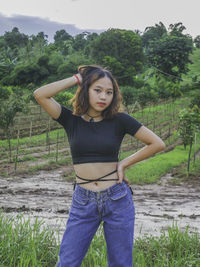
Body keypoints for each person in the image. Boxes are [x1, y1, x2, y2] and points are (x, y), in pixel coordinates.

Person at [33, 65, 166, 267]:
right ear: (86, 89)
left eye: (109, 92)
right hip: (83, 200)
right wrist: (78, 78)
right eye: (97, 90)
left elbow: (157, 143)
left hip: (117, 198)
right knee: (67, 262)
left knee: (120, 263)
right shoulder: (71, 120)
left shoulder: (119, 120)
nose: (103, 96)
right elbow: (40, 95)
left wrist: (124, 163)